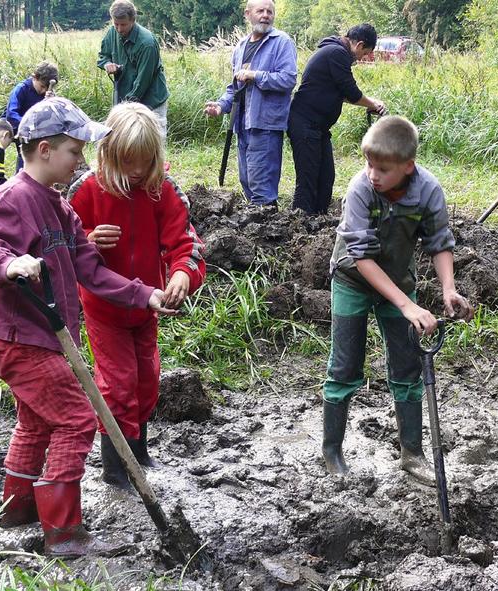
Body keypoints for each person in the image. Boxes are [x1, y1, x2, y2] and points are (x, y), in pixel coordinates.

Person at [0, 97, 176, 557]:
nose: (81, 161)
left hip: (42, 334)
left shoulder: (60, 208)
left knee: (39, 419)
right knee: (78, 419)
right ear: (43, 150)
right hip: (16, 333)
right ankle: (64, 532)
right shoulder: (14, 197)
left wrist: (147, 294)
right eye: (74, 152)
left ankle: (18, 510)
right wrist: (10, 262)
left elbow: (92, 272)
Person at [323, 115, 474, 484]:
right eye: (369, 165)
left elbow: (438, 242)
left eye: (383, 169)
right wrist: (407, 306)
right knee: (345, 367)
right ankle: (332, 450)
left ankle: (412, 453)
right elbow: (361, 257)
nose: (373, 174)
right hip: (352, 281)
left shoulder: (428, 191)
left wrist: (448, 288)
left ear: (408, 166)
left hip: (398, 282)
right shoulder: (361, 188)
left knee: (408, 371)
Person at [71, 102, 206, 490]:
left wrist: (182, 274)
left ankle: (139, 451)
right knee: (118, 382)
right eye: (127, 162)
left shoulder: (161, 188)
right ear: (107, 153)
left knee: (147, 378)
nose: (135, 172)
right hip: (104, 306)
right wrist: (89, 241)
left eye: (144, 162)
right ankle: (116, 470)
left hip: (148, 305)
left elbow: (186, 243)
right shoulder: (88, 189)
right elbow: (63, 243)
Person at [203, 0, 297, 208]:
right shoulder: (241, 46)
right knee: (246, 179)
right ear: (248, 14)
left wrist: (255, 75)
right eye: (260, 11)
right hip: (242, 121)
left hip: (265, 122)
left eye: (270, 11)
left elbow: (288, 79)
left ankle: (268, 227)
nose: (265, 15)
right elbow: (234, 86)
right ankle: (256, 227)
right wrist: (221, 106)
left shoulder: (282, 42)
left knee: (261, 183)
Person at [288, 23, 387, 216]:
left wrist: (369, 103)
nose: (362, 58)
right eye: (365, 53)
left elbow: (342, 93)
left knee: (325, 177)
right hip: (305, 124)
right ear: (359, 45)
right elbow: (351, 91)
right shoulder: (337, 54)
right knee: (308, 178)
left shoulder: (334, 52)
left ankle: (318, 220)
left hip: (318, 127)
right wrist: (373, 104)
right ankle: (299, 223)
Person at [96, 0, 170, 136]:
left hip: (151, 100)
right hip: (125, 97)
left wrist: (125, 108)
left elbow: (143, 80)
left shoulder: (147, 43)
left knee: (153, 145)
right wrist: (107, 65)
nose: (119, 29)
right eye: (115, 24)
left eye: (123, 25)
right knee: (125, 144)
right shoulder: (112, 32)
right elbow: (102, 57)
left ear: (133, 20)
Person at [3, 61, 59, 172]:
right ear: (35, 77)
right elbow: (11, 114)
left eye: (46, 88)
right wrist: (28, 125)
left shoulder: (48, 93)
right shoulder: (21, 89)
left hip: (37, 130)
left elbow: (52, 115)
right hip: (19, 129)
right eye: (42, 86)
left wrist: (52, 101)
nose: (43, 90)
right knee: (25, 156)